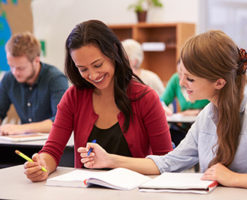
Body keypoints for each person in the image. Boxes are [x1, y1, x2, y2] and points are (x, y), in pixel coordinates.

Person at [78, 30, 247, 193]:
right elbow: (168, 163)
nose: (181, 82)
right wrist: (110, 160)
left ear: (219, 83)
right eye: (181, 73)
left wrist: (233, 178)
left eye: (190, 78)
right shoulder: (209, 114)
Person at [23, 20, 172, 182]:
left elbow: (166, 162)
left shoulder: (145, 98)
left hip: (135, 192)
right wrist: (41, 165)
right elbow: (52, 151)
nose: (93, 76)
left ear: (113, 52)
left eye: (98, 64)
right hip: (87, 192)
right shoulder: (73, 97)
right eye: (83, 69)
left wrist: (112, 160)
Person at [0, 32, 68, 135]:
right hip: (22, 144)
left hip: (52, 144)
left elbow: (60, 122)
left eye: (20, 68)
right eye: (11, 66)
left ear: (36, 60)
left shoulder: (55, 79)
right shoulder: (8, 79)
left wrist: (20, 128)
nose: (15, 72)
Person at [161, 60, 210, 146]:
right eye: (180, 74)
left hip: (206, 129)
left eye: (187, 76)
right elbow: (162, 101)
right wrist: (165, 110)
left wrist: (197, 112)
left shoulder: (206, 83)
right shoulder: (176, 79)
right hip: (184, 130)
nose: (181, 81)